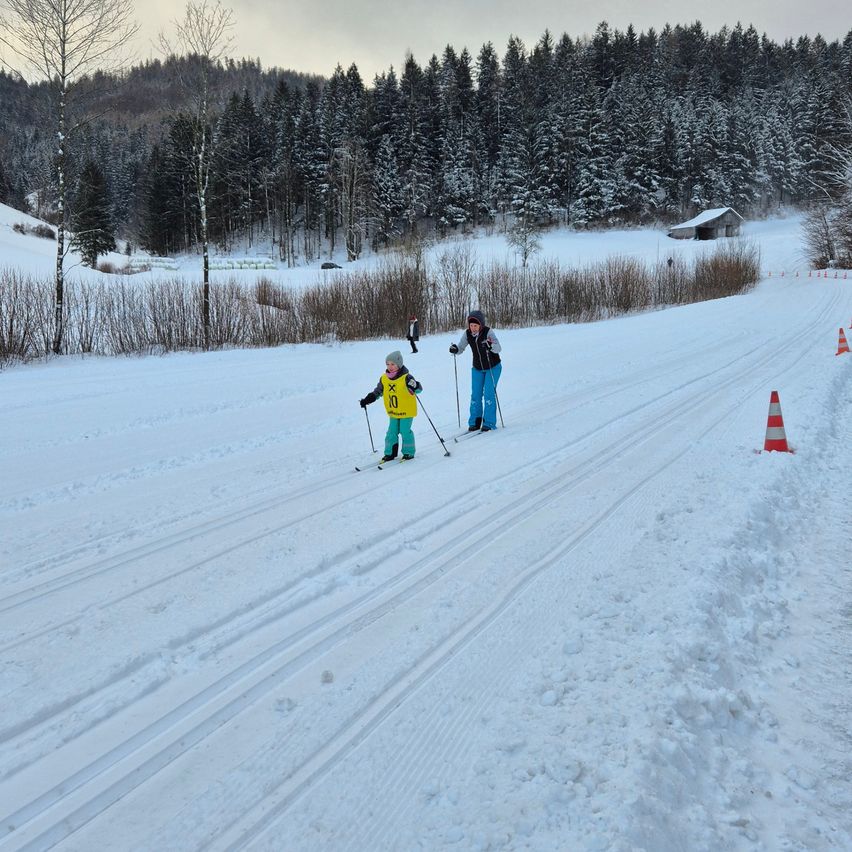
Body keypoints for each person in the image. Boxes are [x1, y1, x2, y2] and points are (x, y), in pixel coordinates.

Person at [359, 350, 423, 461]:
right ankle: (390, 453)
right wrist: (368, 399)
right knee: (391, 432)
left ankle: (408, 452)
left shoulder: (406, 377)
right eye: (388, 364)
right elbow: (378, 391)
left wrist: (415, 386)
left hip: (406, 411)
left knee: (405, 431)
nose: (390, 367)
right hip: (393, 411)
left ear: (399, 364)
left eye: (393, 364)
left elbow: (419, 389)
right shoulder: (384, 378)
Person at [449, 309, 502, 432]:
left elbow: (498, 348)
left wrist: (490, 346)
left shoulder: (488, 332)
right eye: (471, 325)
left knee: (489, 394)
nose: (473, 328)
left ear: (481, 325)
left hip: (492, 367)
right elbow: (460, 347)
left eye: (475, 325)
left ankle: (489, 423)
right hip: (477, 368)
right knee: (475, 395)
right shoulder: (467, 334)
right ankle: (475, 421)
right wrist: (455, 349)